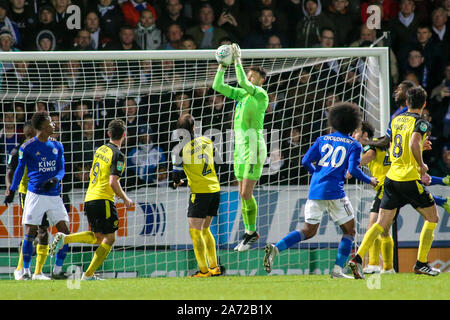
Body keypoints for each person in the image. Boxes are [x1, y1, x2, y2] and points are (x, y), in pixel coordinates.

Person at [263, 103, 378, 278]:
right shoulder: (354, 144)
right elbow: (353, 170)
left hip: (315, 189)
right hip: (335, 192)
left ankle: (276, 248)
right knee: (349, 231)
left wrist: (317, 173)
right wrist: (369, 180)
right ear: (352, 124)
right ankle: (337, 271)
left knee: (308, 231)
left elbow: (305, 161)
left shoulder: (323, 139)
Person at [348, 86, 441, 279]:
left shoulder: (397, 119)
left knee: (381, 223)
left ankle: (357, 258)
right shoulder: (422, 124)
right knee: (432, 218)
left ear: (407, 103)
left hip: (391, 178)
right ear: (424, 104)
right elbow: (412, 143)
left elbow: (393, 144)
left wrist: (419, 146)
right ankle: (421, 263)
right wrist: (422, 165)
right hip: (408, 178)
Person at [50, 119, 134, 281]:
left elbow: (91, 174)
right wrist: (125, 198)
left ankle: (69, 244)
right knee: (109, 238)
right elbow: (113, 181)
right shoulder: (118, 155)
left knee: (98, 237)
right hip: (103, 199)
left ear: (108, 134)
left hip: (90, 198)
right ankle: (86, 273)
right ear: (124, 135)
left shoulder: (100, 149)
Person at [212, 43, 269, 252]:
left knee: (246, 193)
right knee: (241, 193)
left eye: (253, 76)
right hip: (239, 148)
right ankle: (248, 232)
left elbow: (243, 81)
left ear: (261, 80)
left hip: (254, 146)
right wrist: (222, 66)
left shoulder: (260, 95)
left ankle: (252, 232)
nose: (250, 78)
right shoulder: (241, 95)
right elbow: (217, 86)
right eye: (249, 75)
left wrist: (237, 60)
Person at [4, 111, 70, 280]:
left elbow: (62, 169)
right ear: (42, 126)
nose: (54, 125)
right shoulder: (27, 147)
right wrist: (12, 189)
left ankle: (57, 270)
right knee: (30, 231)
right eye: (50, 122)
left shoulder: (57, 146)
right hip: (35, 195)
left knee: (64, 231)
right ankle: (26, 271)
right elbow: (18, 169)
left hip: (54, 195)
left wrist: (55, 178)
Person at [172, 113, 224, 278]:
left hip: (200, 192)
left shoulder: (179, 150)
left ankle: (203, 271)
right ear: (194, 127)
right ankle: (214, 267)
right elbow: (217, 161)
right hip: (214, 189)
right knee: (205, 229)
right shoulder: (207, 141)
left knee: (195, 231)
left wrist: (179, 181)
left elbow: (175, 178)